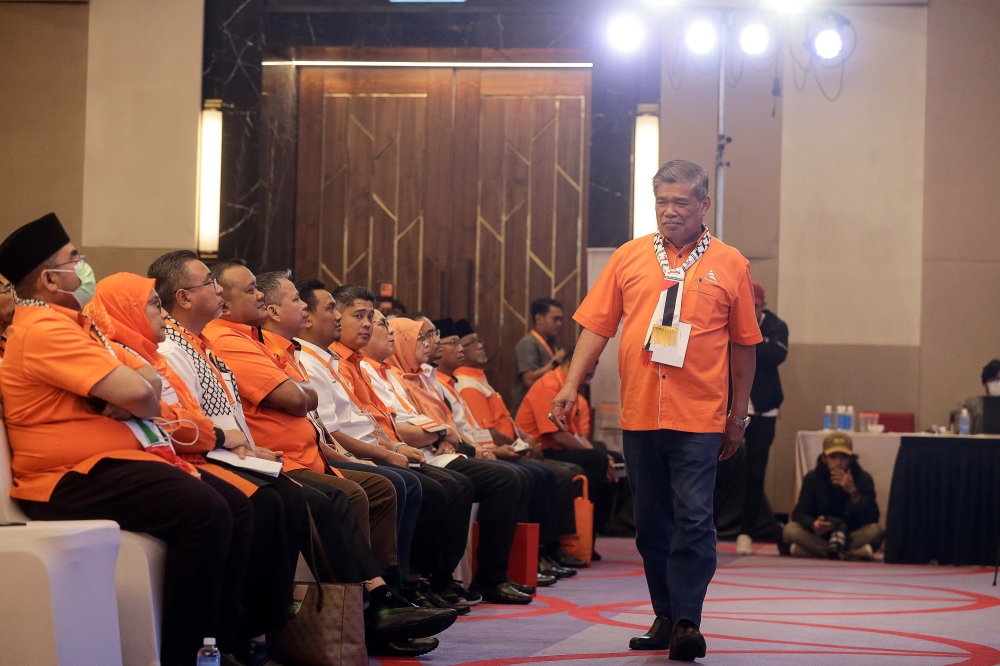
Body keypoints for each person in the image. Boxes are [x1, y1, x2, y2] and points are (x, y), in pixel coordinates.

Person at [0, 214, 254, 666]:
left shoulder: (76, 324)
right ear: (48, 278)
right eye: (73, 258)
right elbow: (141, 391)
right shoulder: (43, 329)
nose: (83, 265)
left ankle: (216, 642)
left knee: (235, 504)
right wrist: (133, 392)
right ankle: (184, 654)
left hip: (113, 460)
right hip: (65, 478)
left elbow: (144, 385)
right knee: (206, 510)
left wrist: (134, 391)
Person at [550, 160, 762, 660]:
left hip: (699, 417)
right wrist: (569, 385)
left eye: (681, 202)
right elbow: (597, 327)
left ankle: (689, 619)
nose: (670, 212)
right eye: (662, 202)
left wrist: (737, 417)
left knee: (694, 518)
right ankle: (664, 614)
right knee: (650, 523)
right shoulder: (628, 257)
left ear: (704, 205)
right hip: (641, 412)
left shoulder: (731, 263)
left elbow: (745, 346)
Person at [202, 261, 456, 652]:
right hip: (275, 458)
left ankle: (389, 598)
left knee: (383, 486)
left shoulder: (260, 344)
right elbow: (295, 398)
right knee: (343, 494)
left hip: (302, 452)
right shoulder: (232, 341)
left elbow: (322, 411)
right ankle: (370, 608)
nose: (306, 308)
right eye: (251, 290)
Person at [87, 272, 299, 665]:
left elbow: (166, 411)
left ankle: (232, 633)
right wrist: (218, 439)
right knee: (236, 505)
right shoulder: (124, 353)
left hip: (178, 450)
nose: (161, 313)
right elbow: (159, 414)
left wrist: (222, 439)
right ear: (128, 311)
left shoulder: (148, 353)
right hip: (124, 462)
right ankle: (205, 645)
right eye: (152, 304)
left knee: (260, 500)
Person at [453, 317, 587, 573]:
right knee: (539, 475)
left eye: (478, 341)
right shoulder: (466, 382)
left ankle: (550, 548)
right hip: (491, 452)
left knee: (555, 473)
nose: (479, 346)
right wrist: (519, 445)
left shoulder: (479, 378)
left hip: (507, 448)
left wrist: (525, 440)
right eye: (469, 343)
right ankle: (534, 555)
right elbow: (487, 431)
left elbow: (503, 424)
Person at [514, 346, 618, 549]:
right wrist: (598, 456)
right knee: (598, 460)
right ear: (572, 366)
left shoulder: (570, 391)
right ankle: (577, 536)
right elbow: (559, 436)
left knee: (611, 458)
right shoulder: (549, 385)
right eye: (586, 376)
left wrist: (604, 457)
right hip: (540, 449)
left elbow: (577, 435)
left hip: (558, 447)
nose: (587, 382)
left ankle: (592, 531)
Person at [734, 281, 788, 556]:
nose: (750, 310)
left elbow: (775, 354)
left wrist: (748, 338)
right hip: (735, 406)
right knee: (716, 468)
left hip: (764, 410)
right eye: (746, 305)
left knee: (756, 472)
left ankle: (747, 532)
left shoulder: (777, 326)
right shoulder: (732, 322)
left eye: (754, 307)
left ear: (762, 306)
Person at [783, 432, 883, 560]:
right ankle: (847, 553)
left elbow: (873, 518)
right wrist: (814, 524)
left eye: (844, 457)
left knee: (876, 531)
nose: (838, 462)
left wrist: (853, 491)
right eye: (833, 457)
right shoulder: (813, 478)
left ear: (851, 459)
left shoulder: (863, 478)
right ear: (824, 458)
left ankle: (818, 551)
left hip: (850, 534)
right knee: (790, 530)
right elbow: (799, 514)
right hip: (820, 535)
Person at [510, 297, 566, 412]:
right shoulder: (528, 343)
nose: (559, 324)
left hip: (545, 407)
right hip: (527, 412)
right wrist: (555, 362)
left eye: (561, 320)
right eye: (555, 319)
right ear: (539, 318)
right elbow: (529, 380)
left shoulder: (551, 342)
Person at [962, 359, 1000, 434]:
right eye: (996, 379)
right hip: (979, 445)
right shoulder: (973, 404)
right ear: (985, 384)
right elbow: (963, 435)